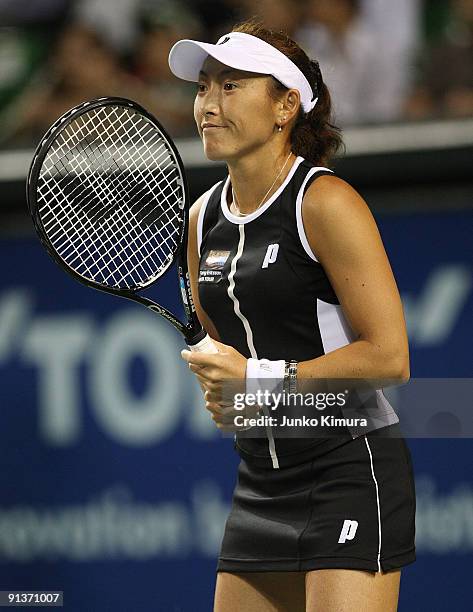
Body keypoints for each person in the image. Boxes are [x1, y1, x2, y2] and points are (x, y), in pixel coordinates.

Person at [169, 19, 416, 612]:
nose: (207, 104)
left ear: (285, 105)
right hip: (259, 482)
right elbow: (227, 358)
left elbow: (390, 357)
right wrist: (230, 392)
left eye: (231, 86)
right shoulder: (202, 219)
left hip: (348, 469)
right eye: (204, 86)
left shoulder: (326, 201)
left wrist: (259, 384)